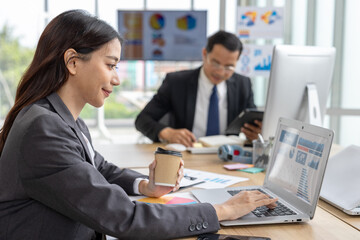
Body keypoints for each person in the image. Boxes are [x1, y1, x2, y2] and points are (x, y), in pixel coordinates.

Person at [0, 10, 277, 240]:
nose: (117, 79)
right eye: (111, 65)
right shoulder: (44, 130)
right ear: (73, 62)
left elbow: (100, 168)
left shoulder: (61, 119)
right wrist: (220, 211)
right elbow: (125, 218)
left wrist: (146, 187)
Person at [135, 30, 262, 147]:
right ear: (204, 54)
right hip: (187, 155)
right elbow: (142, 120)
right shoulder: (176, 82)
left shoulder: (243, 85)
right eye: (215, 63)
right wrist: (167, 133)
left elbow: (253, 124)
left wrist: (257, 134)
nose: (220, 72)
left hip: (225, 157)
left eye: (229, 67)